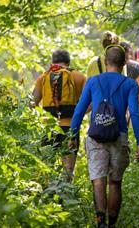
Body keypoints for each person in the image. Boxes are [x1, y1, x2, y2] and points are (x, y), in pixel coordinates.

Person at [70, 46, 139, 228]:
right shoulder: (130, 84)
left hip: (96, 137)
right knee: (115, 183)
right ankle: (112, 224)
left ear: (105, 62)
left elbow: (79, 110)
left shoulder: (93, 81)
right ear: (124, 62)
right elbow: (134, 113)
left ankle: (100, 222)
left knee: (98, 181)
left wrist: (73, 134)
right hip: (119, 137)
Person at [32, 49, 86, 182]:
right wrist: (78, 115)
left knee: (46, 168)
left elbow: (31, 103)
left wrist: (43, 117)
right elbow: (89, 103)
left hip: (49, 129)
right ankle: (66, 199)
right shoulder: (79, 77)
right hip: (70, 128)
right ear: (68, 62)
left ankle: (48, 197)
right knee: (68, 170)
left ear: (53, 62)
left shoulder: (43, 77)